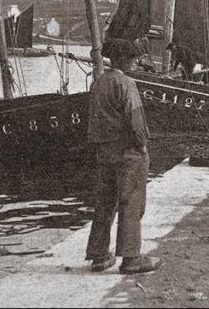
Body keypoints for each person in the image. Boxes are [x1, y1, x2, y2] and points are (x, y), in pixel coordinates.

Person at [85, 39, 161, 275]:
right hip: (128, 152)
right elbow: (136, 120)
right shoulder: (126, 83)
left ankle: (98, 256)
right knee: (131, 202)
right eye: (134, 58)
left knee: (105, 203)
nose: (137, 62)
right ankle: (131, 259)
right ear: (123, 59)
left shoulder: (99, 83)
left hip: (103, 152)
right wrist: (143, 146)